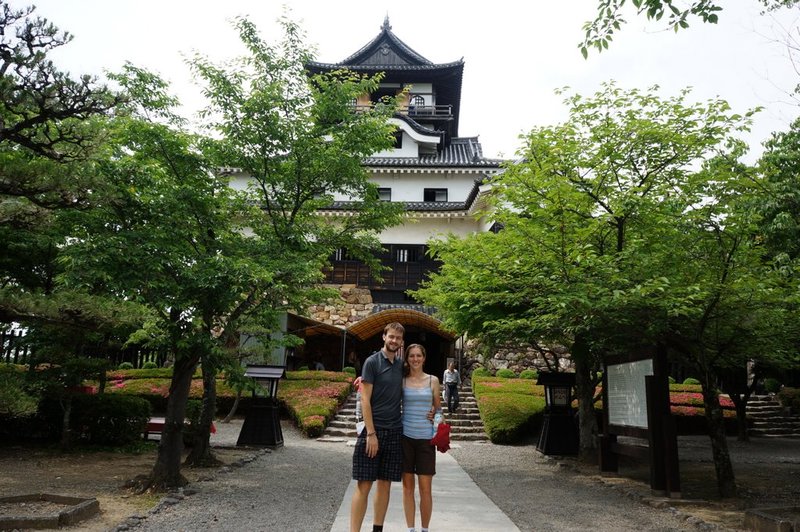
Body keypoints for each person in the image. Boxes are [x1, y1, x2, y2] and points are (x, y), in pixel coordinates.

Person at [350, 322, 405, 532]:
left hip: (394, 431)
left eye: (398, 338)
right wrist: (371, 434)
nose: (394, 341)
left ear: (401, 342)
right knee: (364, 484)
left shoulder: (401, 366)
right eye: (391, 336)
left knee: (385, 483)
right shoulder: (372, 362)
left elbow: (417, 385)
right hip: (373, 430)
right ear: (384, 336)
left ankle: (377, 529)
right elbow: (365, 399)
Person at [401, 344, 441, 532]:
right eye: (411, 356)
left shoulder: (433, 380)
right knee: (407, 488)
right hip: (405, 438)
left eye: (418, 356)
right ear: (407, 359)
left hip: (426, 439)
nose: (415, 359)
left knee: (426, 489)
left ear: (424, 358)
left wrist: (437, 416)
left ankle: (425, 529)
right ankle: (410, 529)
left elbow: (439, 409)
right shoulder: (402, 380)